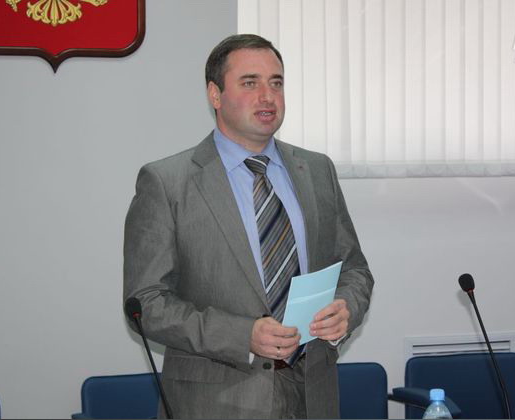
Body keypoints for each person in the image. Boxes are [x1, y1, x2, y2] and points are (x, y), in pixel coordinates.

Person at [123, 34, 374, 419]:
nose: (267, 96)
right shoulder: (167, 182)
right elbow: (146, 303)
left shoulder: (317, 170)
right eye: (250, 83)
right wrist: (242, 336)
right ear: (215, 94)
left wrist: (346, 309)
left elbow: (354, 269)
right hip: (217, 401)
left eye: (276, 82)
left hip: (314, 394)